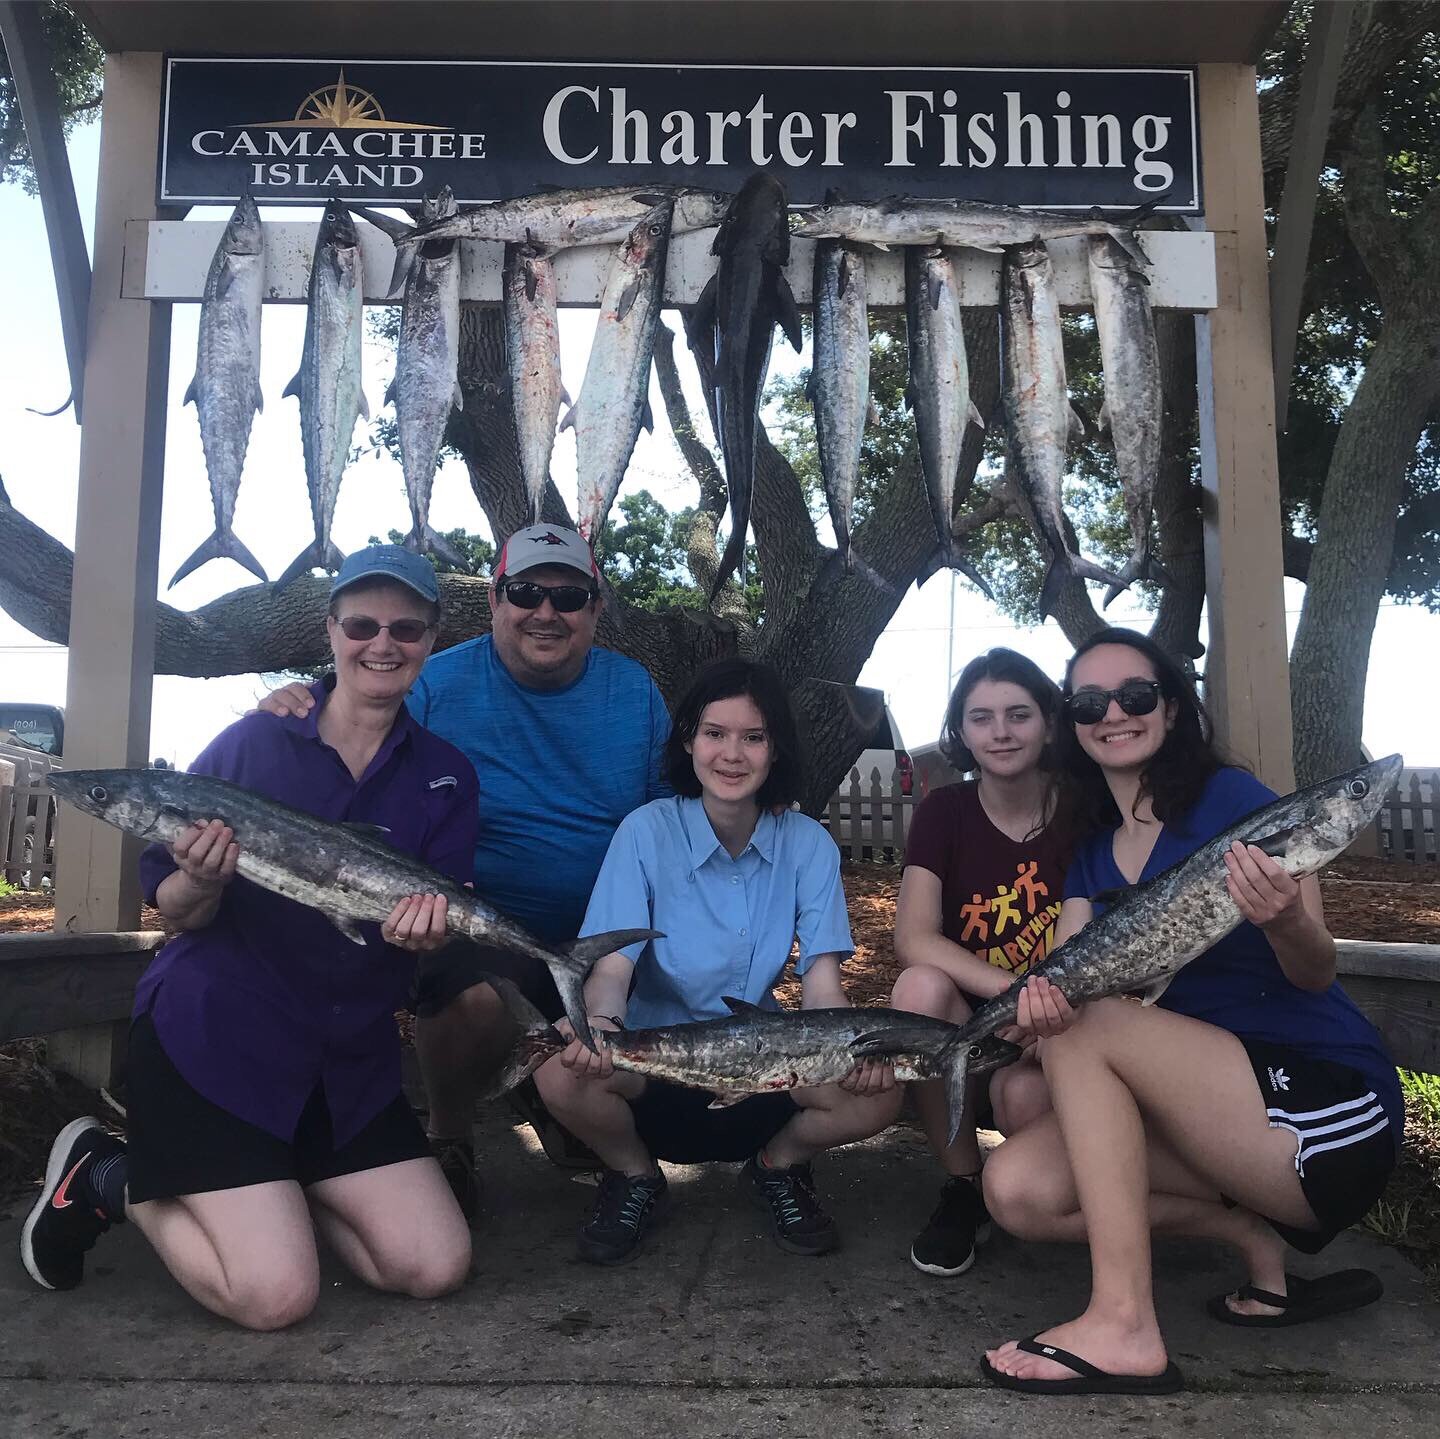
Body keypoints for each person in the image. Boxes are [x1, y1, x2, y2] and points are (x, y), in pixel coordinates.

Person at [20, 546, 479, 1328]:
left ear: (430, 640)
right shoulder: (253, 743)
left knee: (434, 1264)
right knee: (275, 1295)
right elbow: (175, 908)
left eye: (405, 627)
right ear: (330, 631)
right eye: (362, 623)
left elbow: (434, 923)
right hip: (220, 1044)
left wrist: (428, 936)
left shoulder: (445, 774)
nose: (383, 642)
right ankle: (105, 1175)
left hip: (346, 1063)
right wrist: (198, 879)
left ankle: (271, 1189)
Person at [980, 627, 1402, 1396]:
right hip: (1217, 1116)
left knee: (1088, 1021)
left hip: (1325, 1108)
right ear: (1070, 721)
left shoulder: (1235, 801)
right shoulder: (1091, 848)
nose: (1113, 712)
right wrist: (1029, 1014)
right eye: (1088, 701)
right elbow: (1065, 978)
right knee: (1016, 1185)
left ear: (1171, 709)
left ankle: (1124, 1325)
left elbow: (1316, 972)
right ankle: (1254, 1237)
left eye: (1136, 695)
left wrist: (1283, 921)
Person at [254, 524, 671, 1222]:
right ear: (495, 601)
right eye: (526, 591)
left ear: (597, 608)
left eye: (569, 596)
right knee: (469, 997)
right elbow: (359, 722)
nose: (546, 611)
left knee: (656, 1030)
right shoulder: (439, 684)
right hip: (467, 920)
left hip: (606, 931)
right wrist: (297, 702)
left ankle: (555, 1097)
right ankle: (449, 1133)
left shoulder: (635, 692)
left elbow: (665, 821)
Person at [534, 658, 902, 1265]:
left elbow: (822, 989)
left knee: (882, 1091)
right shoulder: (645, 832)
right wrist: (597, 1027)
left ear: (776, 748)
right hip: (653, 1062)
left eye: (753, 737)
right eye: (715, 733)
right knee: (556, 1060)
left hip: (764, 1063)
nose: (733, 754)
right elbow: (612, 971)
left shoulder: (807, 843)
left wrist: (849, 1053)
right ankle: (634, 1176)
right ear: (688, 741)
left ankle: (776, 1167)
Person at [890, 648, 1068, 1278]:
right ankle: (965, 1184)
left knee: (1024, 1099)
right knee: (919, 988)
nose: (1001, 732)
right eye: (981, 717)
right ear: (960, 731)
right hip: (984, 1014)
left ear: (1048, 721)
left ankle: (1032, 1192)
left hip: (1066, 1021)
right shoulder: (947, 811)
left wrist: (1045, 1010)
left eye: (1018, 714)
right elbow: (912, 937)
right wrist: (1013, 995)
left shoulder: (1085, 811)